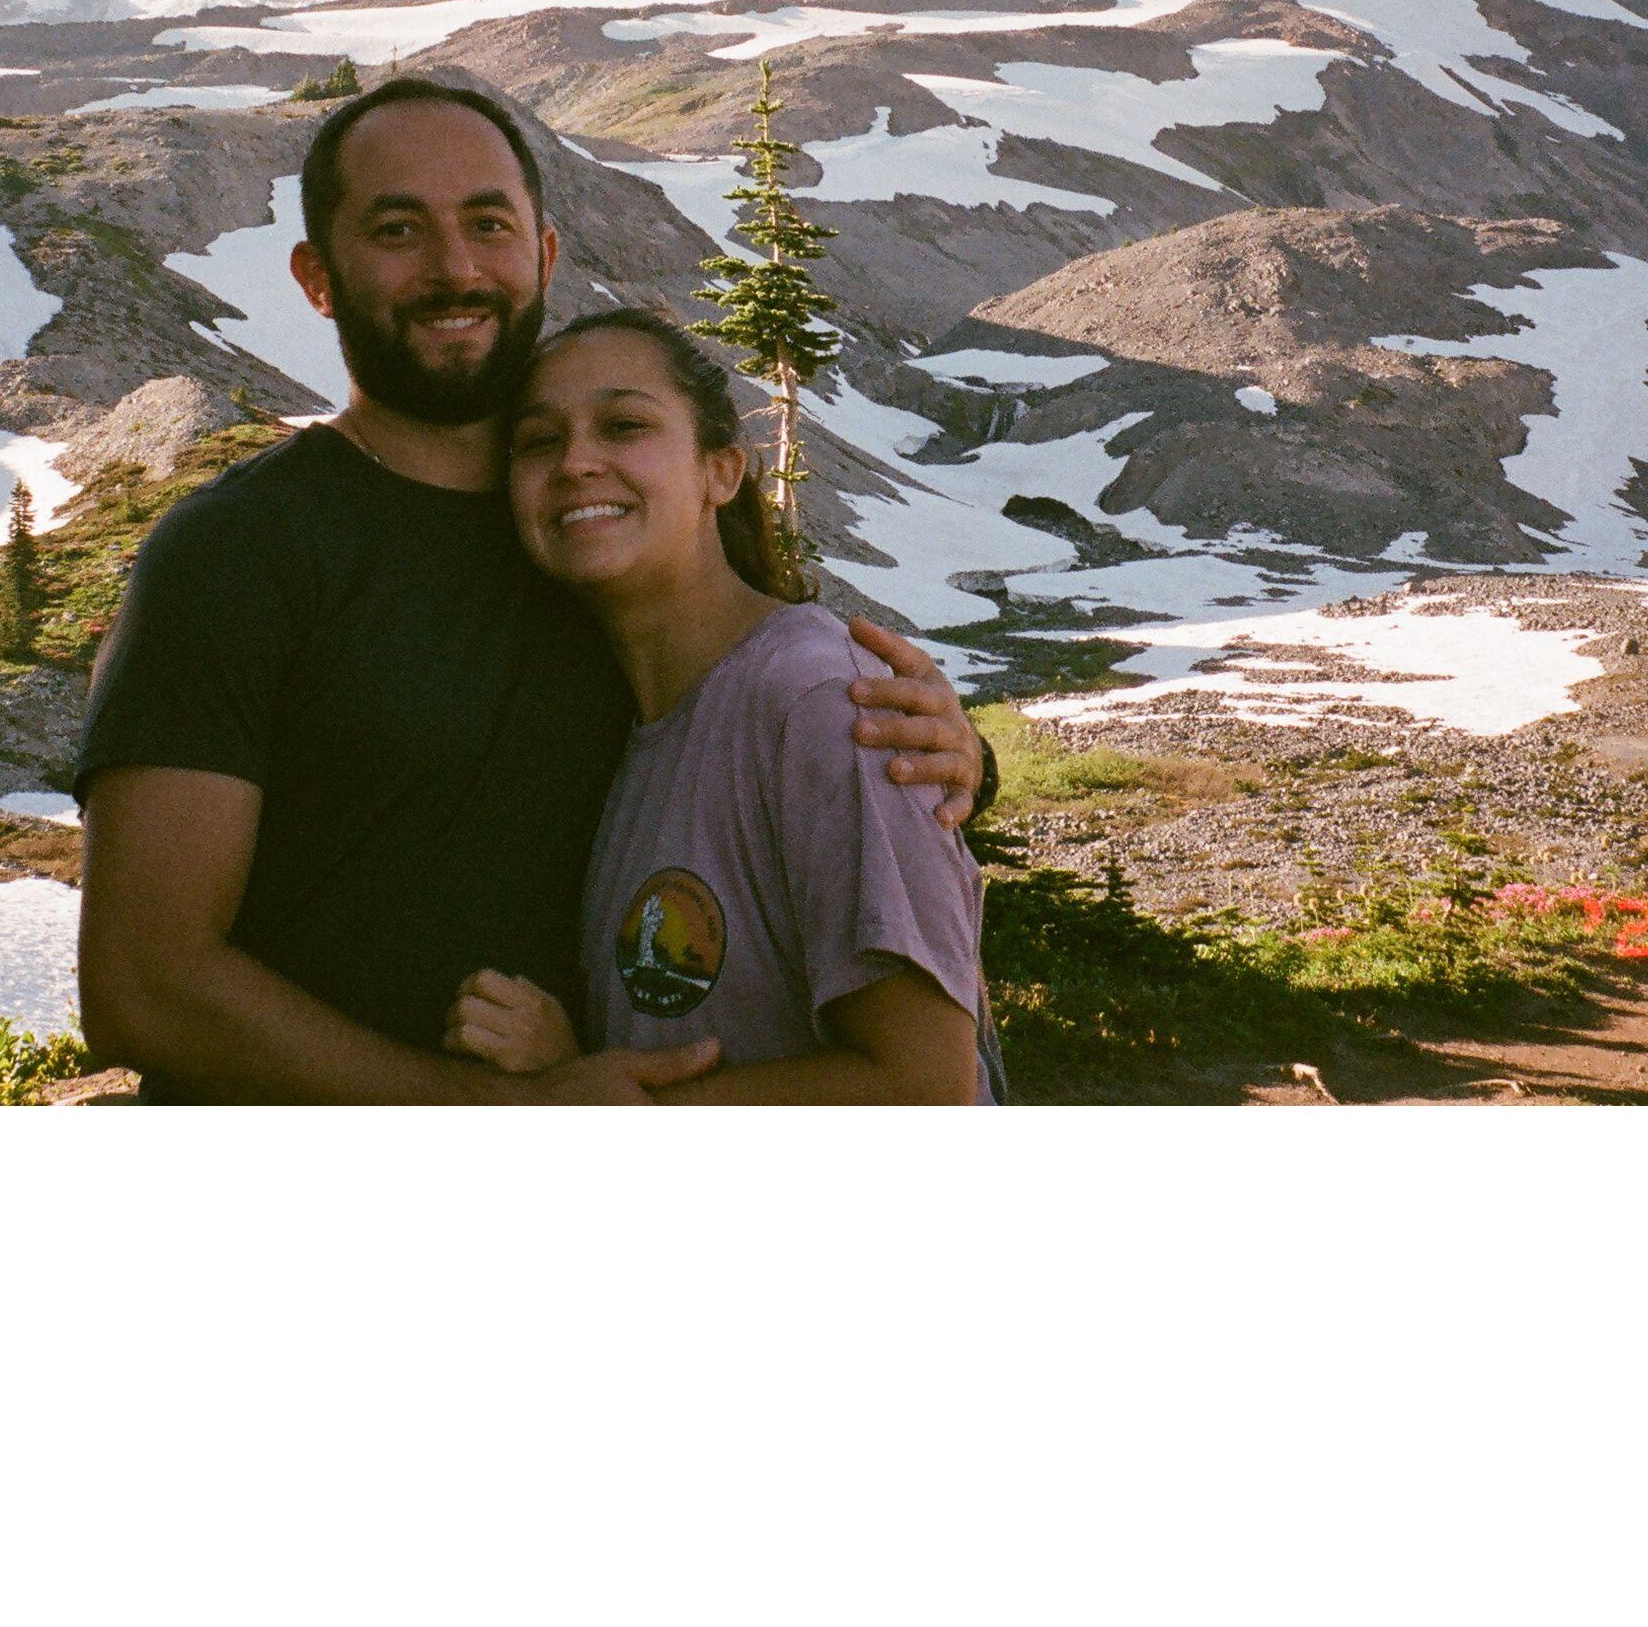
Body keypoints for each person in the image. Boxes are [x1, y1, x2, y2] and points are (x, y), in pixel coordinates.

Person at [74, 76, 990, 1102]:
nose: (453, 266)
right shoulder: (235, 551)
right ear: (316, 275)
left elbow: (756, 725)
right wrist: (502, 1112)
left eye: (487, 222)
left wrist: (946, 760)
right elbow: (143, 985)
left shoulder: (590, 545)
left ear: (544, 254)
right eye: (396, 228)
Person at [446, 311, 995, 1104]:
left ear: (723, 472)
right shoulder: (624, 723)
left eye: (624, 424)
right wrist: (573, 1066)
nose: (574, 462)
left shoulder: (818, 700)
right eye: (537, 441)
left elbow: (922, 1085)